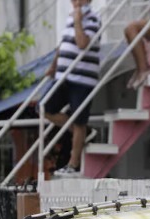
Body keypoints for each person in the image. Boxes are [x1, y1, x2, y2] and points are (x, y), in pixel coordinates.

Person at [44, 0, 101, 177]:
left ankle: (73, 163)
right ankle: (85, 132)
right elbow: (63, 45)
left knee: (79, 120)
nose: (75, 2)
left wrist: (78, 21)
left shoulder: (93, 19)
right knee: (44, 108)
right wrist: (53, 66)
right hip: (63, 76)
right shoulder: (70, 18)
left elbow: (82, 43)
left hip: (82, 78)